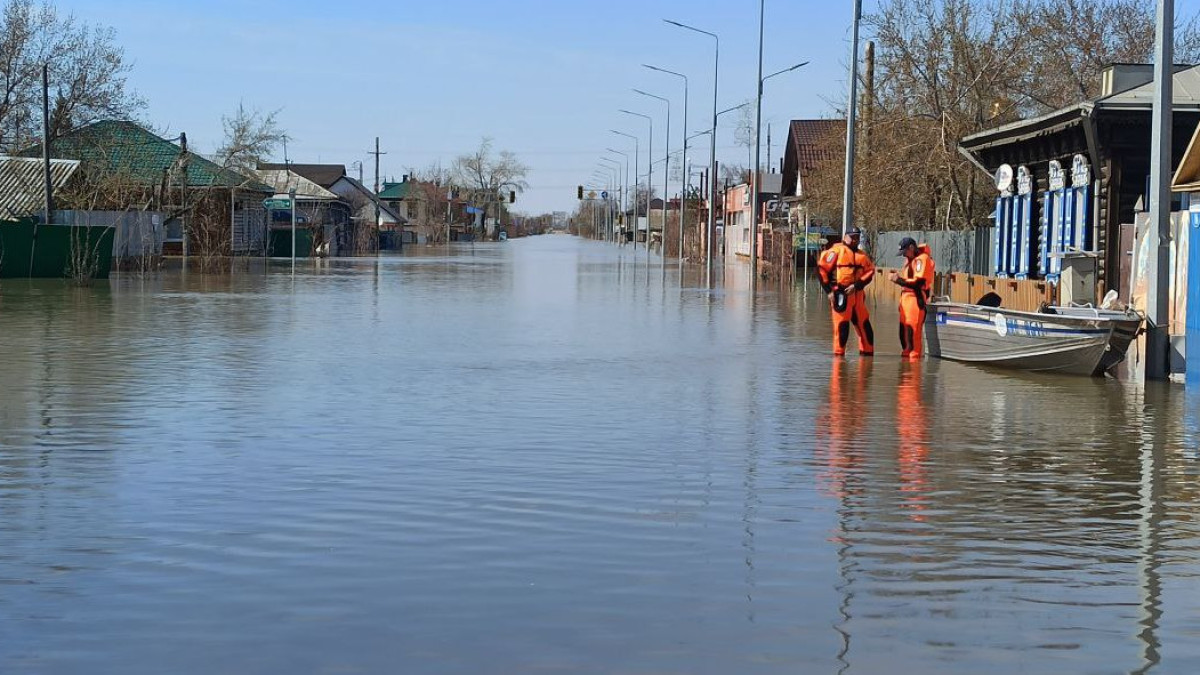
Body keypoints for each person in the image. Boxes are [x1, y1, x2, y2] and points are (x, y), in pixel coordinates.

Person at [817, 226, 876, 356]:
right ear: (845, 237)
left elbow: (870, 273)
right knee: (842, 329)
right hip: (841, 295)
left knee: (866, 329)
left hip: (858, 295)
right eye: (852, 237)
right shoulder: (835, 252)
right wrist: (829, 291)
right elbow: (821, 271)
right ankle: (839, 363)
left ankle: (867, 360)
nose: (855, 240)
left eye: (857, 237)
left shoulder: (862, 256)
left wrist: (857, 285)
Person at [889, 237, 935, 360]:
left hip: (915, 299)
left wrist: (898, 280)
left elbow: (918, 283)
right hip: (905, 300)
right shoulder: (909, 260)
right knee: (903, 333)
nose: (904, 255)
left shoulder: (922, 260)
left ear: (911, 248)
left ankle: (913, 370)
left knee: (913, 333)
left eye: (904, 252)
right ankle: (905, 369)